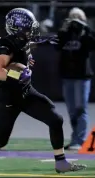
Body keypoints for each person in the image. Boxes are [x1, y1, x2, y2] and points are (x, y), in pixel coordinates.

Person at [0, 8, 87, 173]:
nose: (32, 29)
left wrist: (31, 58)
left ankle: (61, 162)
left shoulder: (23, 40)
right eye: (28, 26)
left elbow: (31, 47)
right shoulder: (6, 45)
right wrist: (16, 74)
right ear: (17, 28)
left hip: (25, 93)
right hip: (8, 98)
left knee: (56, 119)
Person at [57, 7, 95, 150]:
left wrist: (86, 28)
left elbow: (92, 44)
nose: (74, 20)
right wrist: (63, 29)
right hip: (68, 76)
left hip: (82, 76)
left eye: (77, 17)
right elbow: (58, 45)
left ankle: (81, 139)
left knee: (80, 109)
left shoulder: (85, 33)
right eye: (71, 16)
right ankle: (75, 138)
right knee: (72, 110)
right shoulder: (66, 33)